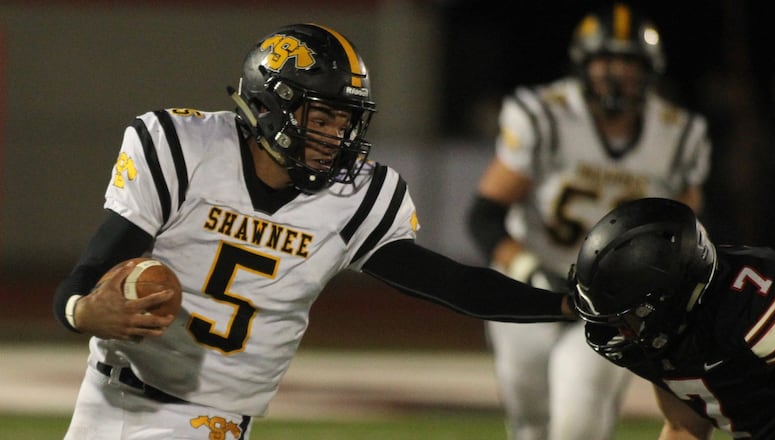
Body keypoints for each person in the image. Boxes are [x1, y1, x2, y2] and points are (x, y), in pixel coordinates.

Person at [52, 23, 576, 440]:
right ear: (270, 104)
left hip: (208, 416)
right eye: (322, 117)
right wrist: (83, 311)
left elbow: (452, 284)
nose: (337, 136)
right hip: (103, 394)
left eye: (346, 122)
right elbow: (88, 273)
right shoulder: (183, 149)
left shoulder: (356, 197)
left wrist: (561, 306)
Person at [465, 3, 712, 440]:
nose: (617, 75)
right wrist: (529, 271)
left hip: (616, 298)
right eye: (606, 62)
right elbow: (485, 216)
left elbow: (688, 233)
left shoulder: (678, 136)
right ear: (582, 66)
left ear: (650, 72)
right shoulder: (546, 116)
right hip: (532, 283)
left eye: (629, 64)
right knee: (529, 421)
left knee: (577, 420)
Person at [570, 197, 775, 439]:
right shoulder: (666, 335)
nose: (621, 332)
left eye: (630, 315)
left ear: (669, 299)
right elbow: (683, 426)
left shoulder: (757, 304)